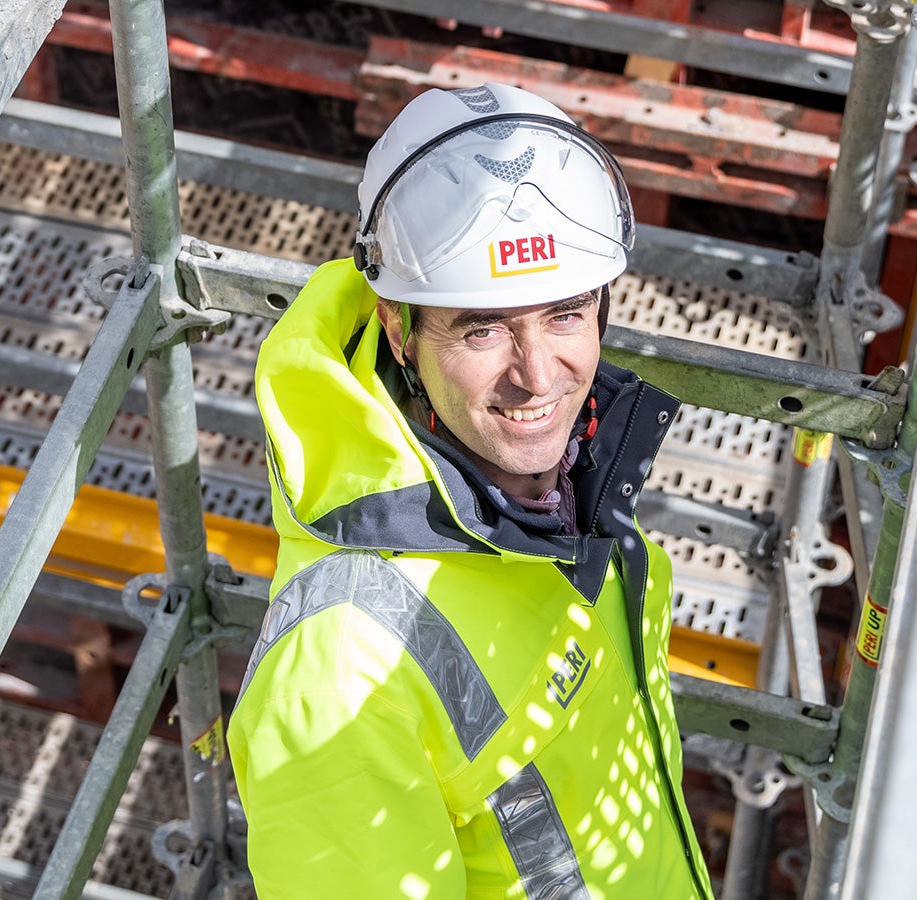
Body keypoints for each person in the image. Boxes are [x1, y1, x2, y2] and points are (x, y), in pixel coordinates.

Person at [228, 82, 714, 899]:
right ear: (399, 330)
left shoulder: (569, 481)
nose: (538, 377)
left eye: (565, 314)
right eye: (482, 329)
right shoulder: (336, 681)